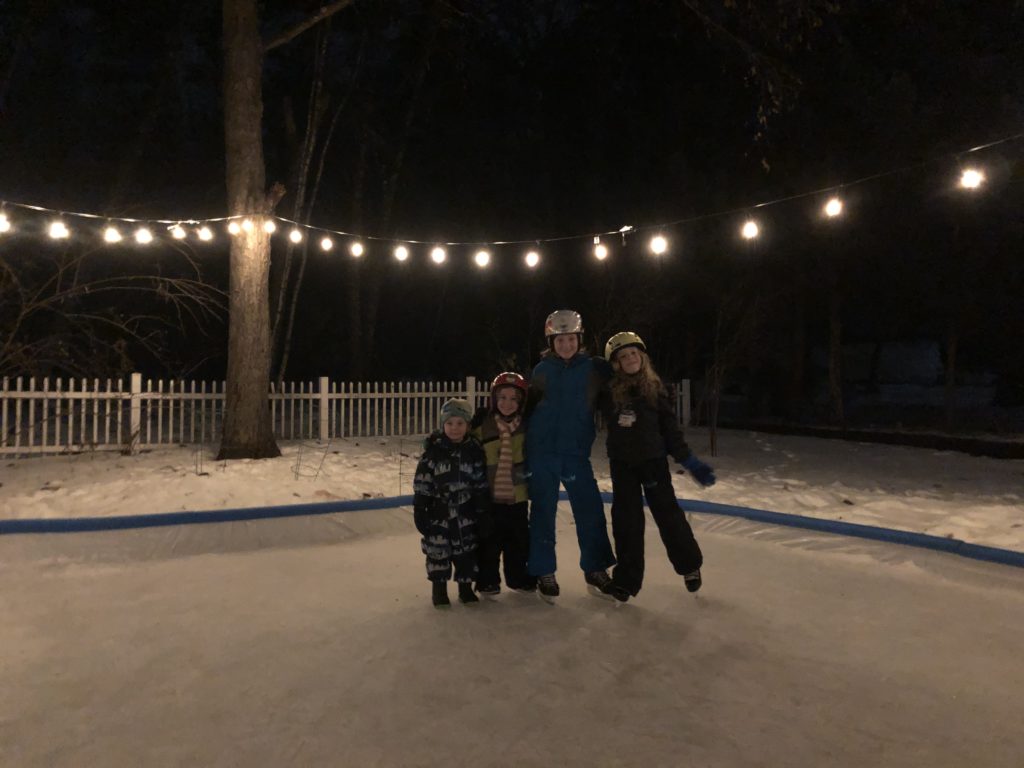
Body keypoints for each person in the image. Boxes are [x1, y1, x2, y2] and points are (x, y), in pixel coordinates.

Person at [599, 331, 716, 603]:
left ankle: (689, 565)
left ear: (642, 356)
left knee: (668, 515)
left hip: (652, 463)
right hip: (622, 466)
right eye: (623, 356)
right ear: (616, 363)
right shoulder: (608, 393)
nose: (629, 359)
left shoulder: (656, 390)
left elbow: (670, 431)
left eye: (633, 354)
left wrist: (688, 460)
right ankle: (626, 581)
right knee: (626, 521)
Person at [525, 309, 616, 601]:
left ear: (579, 339)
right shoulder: (541, 371)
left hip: (576, 454)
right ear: (552, 342)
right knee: (542, 512)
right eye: (559, 340)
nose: (566, 345)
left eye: (570, 339)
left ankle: (595, 568)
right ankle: (543, 571)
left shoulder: (594, 369)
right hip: (542, 454)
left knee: (589, 511)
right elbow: (525, 408)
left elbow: (622, 385)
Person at [412, 398, 490, 608]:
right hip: (439, 513)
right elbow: (422, 482)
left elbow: (480, 482)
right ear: (442, 425)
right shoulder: (433, 452)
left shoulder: (474, 451)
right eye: (449, 423)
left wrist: (482, 509)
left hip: (465, 513)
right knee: (438, 551)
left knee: (466, 552)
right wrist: (420, 507)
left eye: (460, 423)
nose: (454, 428)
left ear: (468, 425)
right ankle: (439, 589)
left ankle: (465, 589)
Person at [470, 372, 537, 596]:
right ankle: (487, 580)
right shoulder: (482, 427)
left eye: (513, 399)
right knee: (488, 539)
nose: (507, 404)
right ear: (493, 399)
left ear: (521, 402)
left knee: (517, 540)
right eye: (502, 398)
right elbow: (460, 442)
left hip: (517, 495)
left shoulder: (527, 427)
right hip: (490, 496)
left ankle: (517, 577)